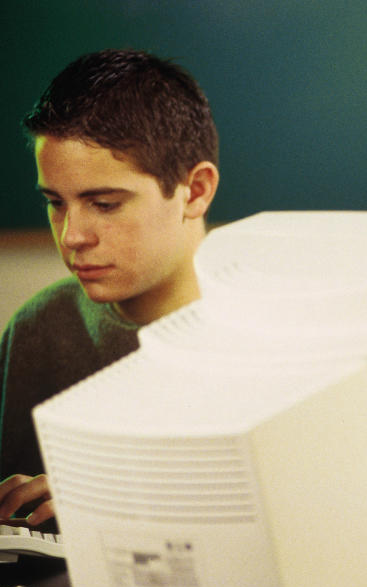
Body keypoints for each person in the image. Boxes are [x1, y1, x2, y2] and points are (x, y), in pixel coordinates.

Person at [0, 49, 219, 527]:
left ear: (195, 191)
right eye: (56, 203)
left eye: (104, 204)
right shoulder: (38, 329)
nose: (72, 235)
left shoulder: (273, 334)